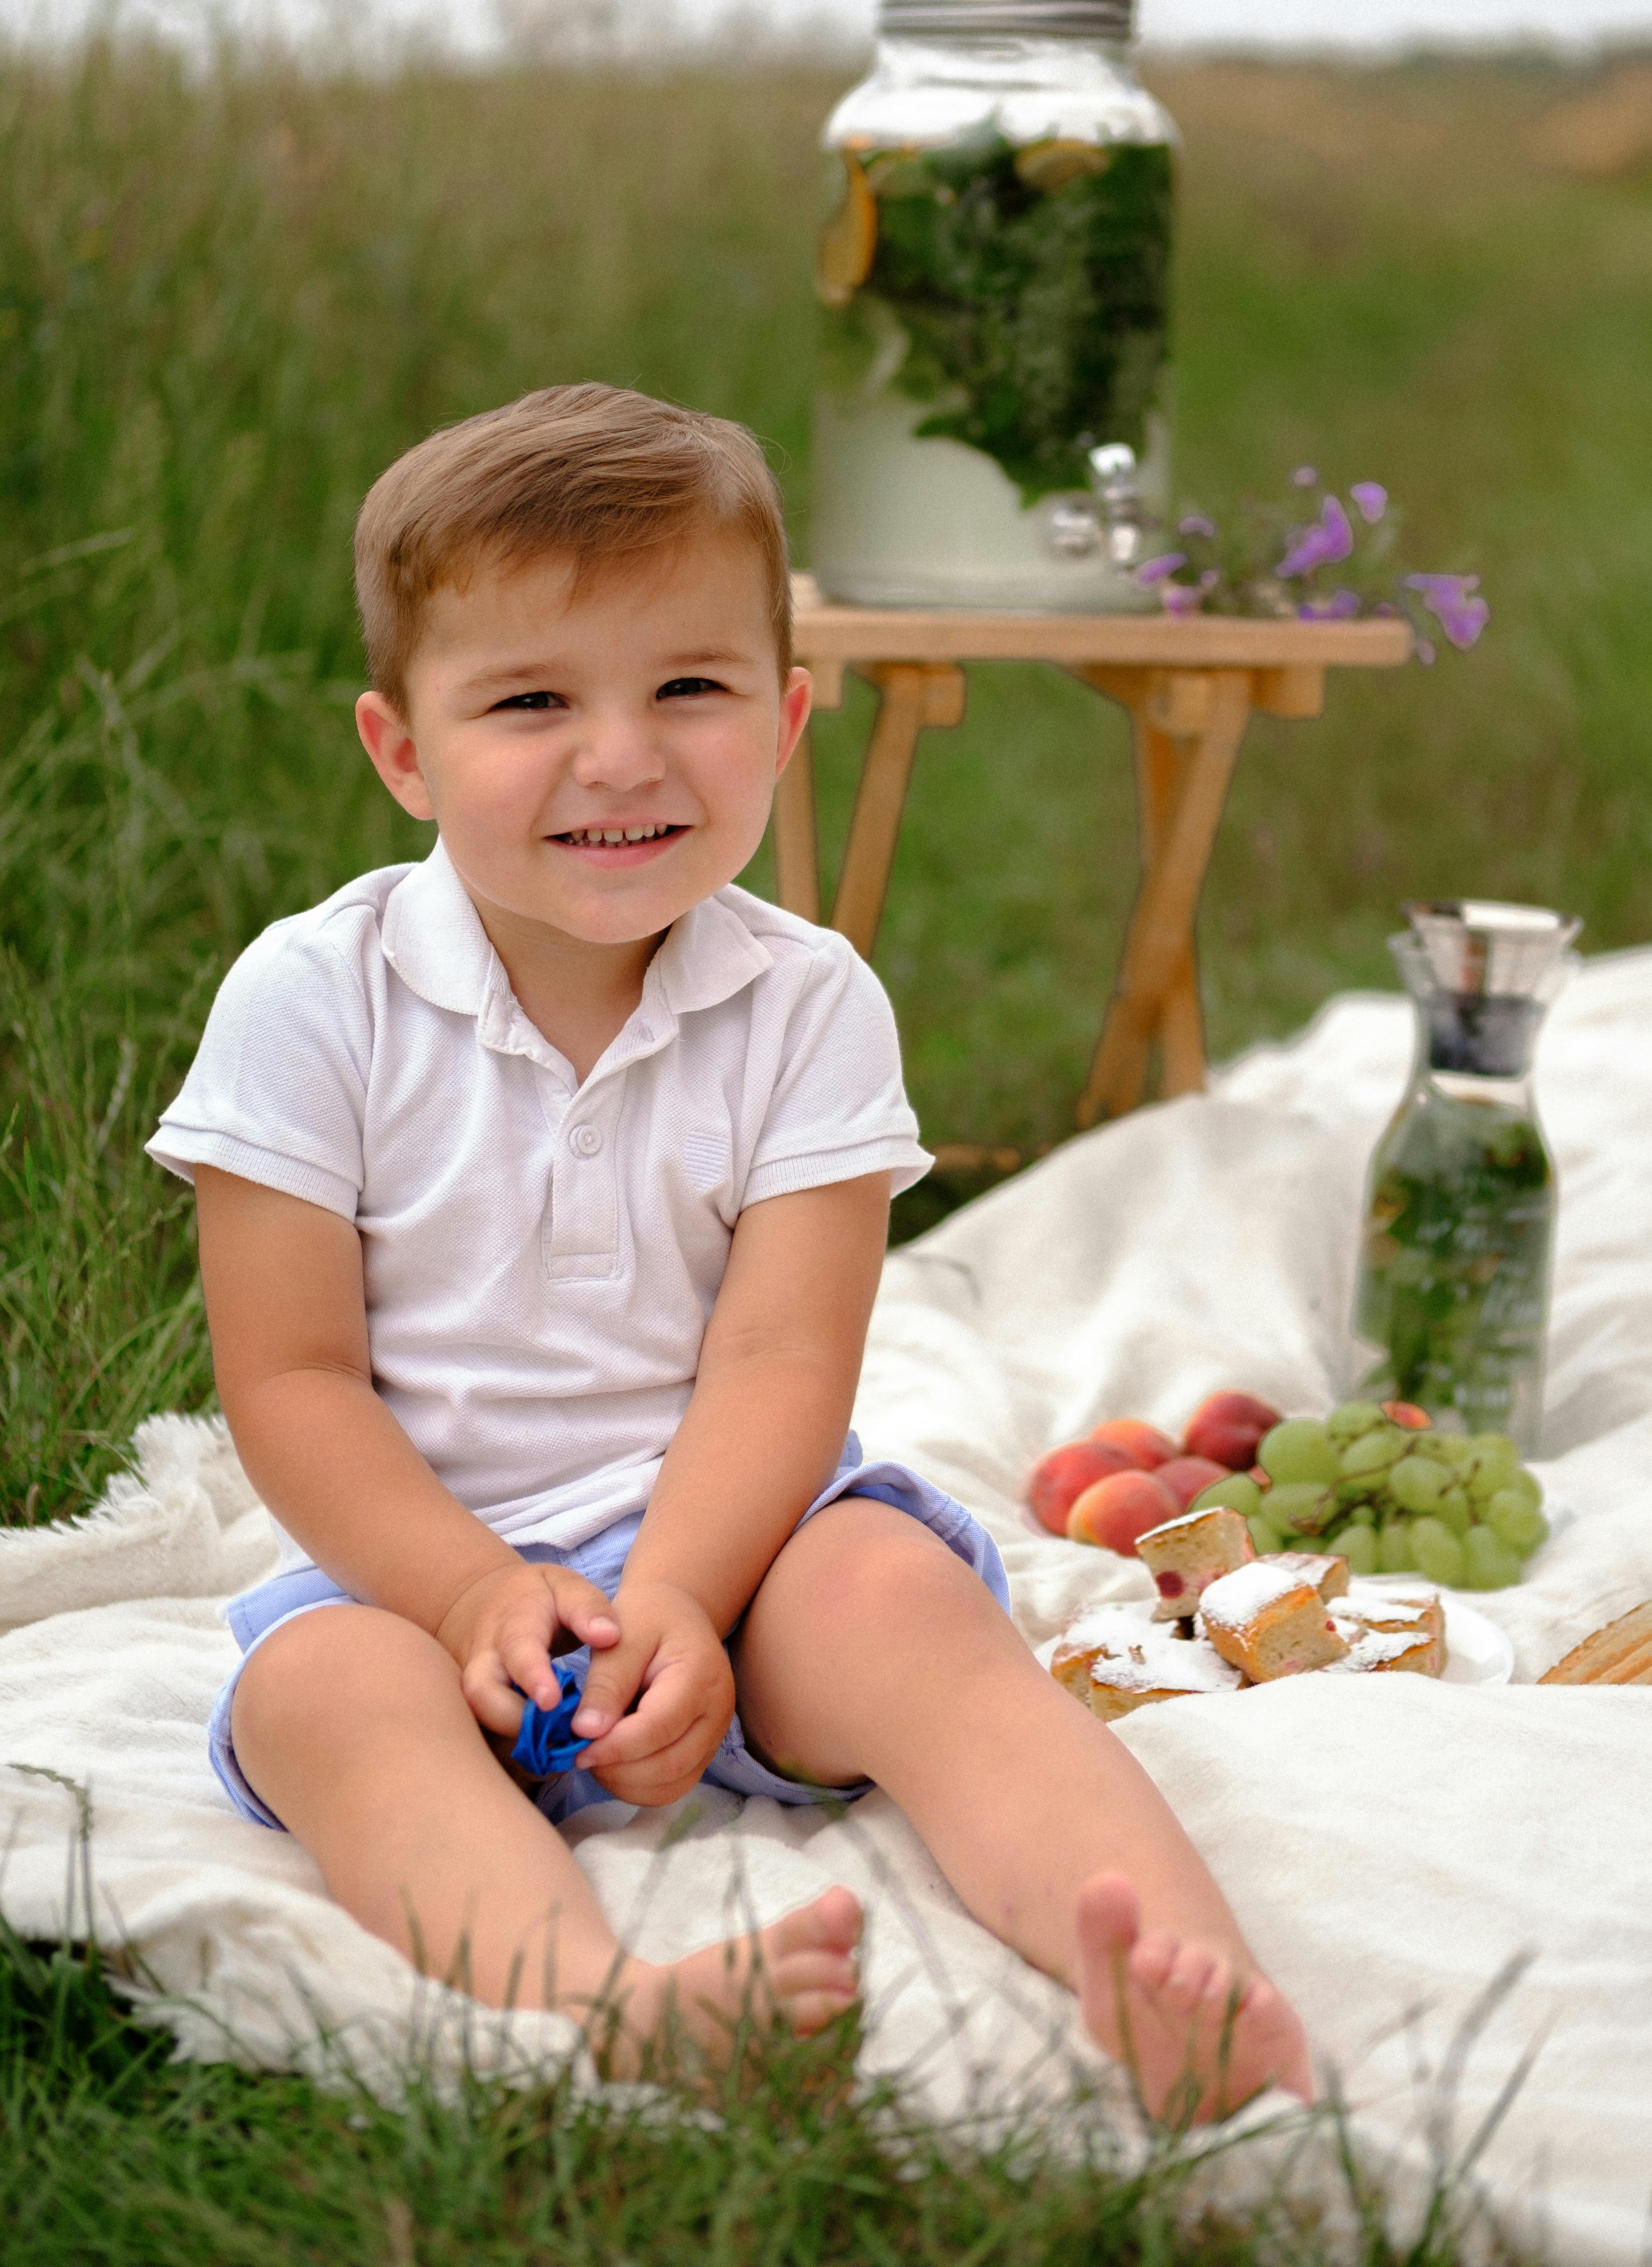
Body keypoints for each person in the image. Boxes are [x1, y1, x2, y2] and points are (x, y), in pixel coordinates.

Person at [149, 383, 1312, 2116]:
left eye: (685, 689)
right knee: (321, 1698)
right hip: (418, 1567)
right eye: (530, 700)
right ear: (401, 750)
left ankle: (1165, 1972)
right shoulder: (314, 998)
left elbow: (781, 1360)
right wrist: (468, 1588)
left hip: (738, 1544)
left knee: (902, 1600)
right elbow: (291, 1375)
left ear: (781, 723)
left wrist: (686, 1591)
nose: (619, 758)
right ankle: (603, 2001)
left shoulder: (804, 1001)